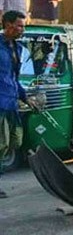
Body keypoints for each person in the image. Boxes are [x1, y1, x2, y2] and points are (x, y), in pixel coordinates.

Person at [0, 11, 27, 198]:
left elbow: (13, 78)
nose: (22, 29)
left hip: (11, 102)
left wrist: (25, 98)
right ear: (8, 25)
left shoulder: (16, 48)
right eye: (19, 25)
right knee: (2, 144)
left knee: (15, 141)